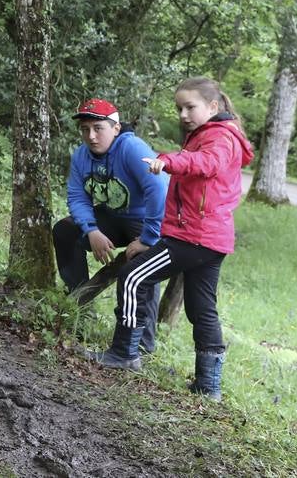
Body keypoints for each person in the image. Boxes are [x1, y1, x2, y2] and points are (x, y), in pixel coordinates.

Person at [87, 77, 254, 403]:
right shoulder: (209, 134)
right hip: (211, 239)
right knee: (201, 307)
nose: (183, 114)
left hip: (194, 237)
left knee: (132, 277)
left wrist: (169, 161)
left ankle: (124, 351)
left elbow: (206, 164)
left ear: (213, 107)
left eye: (190, 107)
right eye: (179, 108)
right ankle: (209, 386)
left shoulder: (221, 137)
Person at [53, 98, 167, 352]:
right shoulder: (82, 155)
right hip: (110, 217)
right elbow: (77, 195)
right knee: (65, 230)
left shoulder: (132, 149)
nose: (91, 136)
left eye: (98, 128)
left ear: (115, 128)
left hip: (142, 219)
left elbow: (159, 189)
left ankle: (142, 342)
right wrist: (91, 230)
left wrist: (148, 238)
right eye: (85, 129)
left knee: (146, 260)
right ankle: (80, 308)